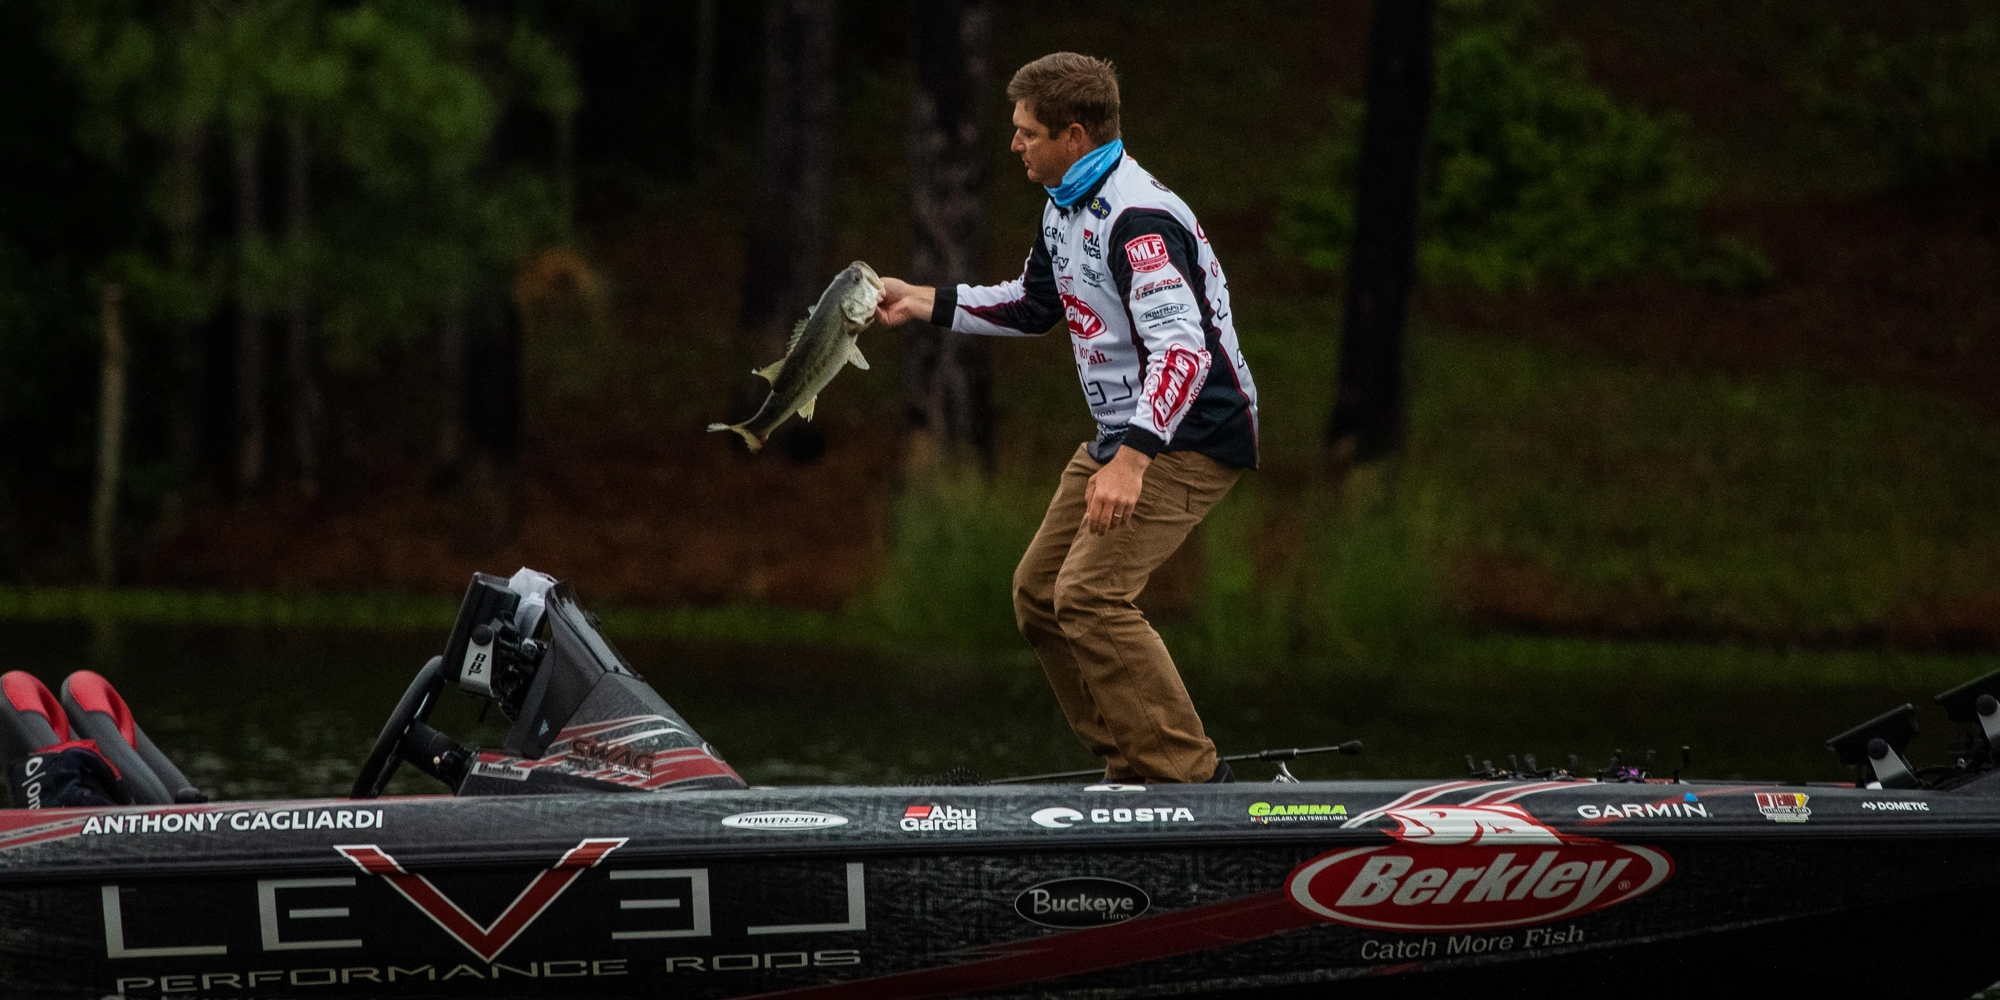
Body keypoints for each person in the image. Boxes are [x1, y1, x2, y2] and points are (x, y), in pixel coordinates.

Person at [876, 52, 1259, 784]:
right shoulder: (1064, 204)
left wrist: (1133, 461)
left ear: (1073, 135)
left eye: (1026, 132)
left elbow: (1183, 352)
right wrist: (919, 299)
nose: (1014, 144)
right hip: (1126, 435)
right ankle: (1129, 762)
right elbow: (1032, 306)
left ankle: (1184, 780)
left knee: (1089, 594)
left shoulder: (1137, 219)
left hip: (1188, 437)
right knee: (1039, 596)